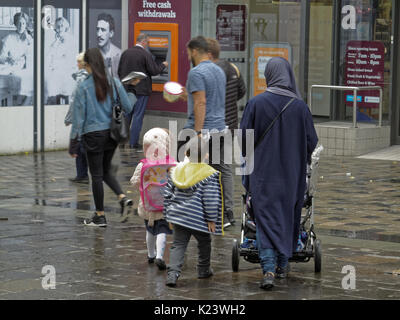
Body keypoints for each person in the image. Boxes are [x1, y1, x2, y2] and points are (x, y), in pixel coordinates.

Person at [239, 57, 318, 290]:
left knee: (264, 220)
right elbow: (311, 143)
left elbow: (244, 141)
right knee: (288, 218)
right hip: (292, 177)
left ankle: (268, 270)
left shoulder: (256, 103)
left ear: (269, 75)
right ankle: (283, 265)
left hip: (262, 175)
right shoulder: (301, 107)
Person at [70, 48, 134, 227]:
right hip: (111, 135)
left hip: (92, 135)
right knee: (105, 170)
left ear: (88, 65)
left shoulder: (83, 86)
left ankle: (100, 215)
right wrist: (132, 91)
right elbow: (128, 107)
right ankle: (122, 198)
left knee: (96, 175)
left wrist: (73, 141)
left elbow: (78, 118)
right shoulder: (114, 82)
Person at [177, 36, 230, 227]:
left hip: (202, 128)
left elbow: (201, 102)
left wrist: (198, 132)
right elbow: (208, 98)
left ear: (194, 51)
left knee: (184, 168)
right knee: (219, 171)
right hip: (220, 127)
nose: (188, 55)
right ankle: (223, 215)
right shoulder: (219, 71)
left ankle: (186, 212)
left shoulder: (196, 72)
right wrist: (187, 96)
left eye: (188, 52)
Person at [164, 135, 223, 287]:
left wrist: (168, 214)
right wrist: (211, 219)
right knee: (204, 242)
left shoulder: (177, 171)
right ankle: (203, 270)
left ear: (185, 153)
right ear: (207, 155)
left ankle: (172, 274)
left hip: (178, 217)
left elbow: (167, 194)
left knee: (178, 245)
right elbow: (210, 198)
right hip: (199, 219)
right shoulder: (208, 173)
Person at [206, 38, 247, 228]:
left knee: (209, 169)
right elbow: (242, 91)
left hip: (213, 127)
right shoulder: (233, 69)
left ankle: (213, 211)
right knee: (225, 168)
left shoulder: (209, 72)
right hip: (230, 125)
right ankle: (228, 212)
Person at [130, 128, 175, 270]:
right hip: (164, 205)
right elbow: (177, 180)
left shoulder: (142, 165)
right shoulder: (170, 165)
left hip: (147, 205)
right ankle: (160, 256)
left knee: (150, 230)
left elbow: (135, 181)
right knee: (162, 231)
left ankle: (150, 254)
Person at [118, 33, 168, 150]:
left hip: (127, 90)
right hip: (141, 91)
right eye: (148, 43)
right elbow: (154, 70)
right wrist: (163, 65)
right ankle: (133, 143)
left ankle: (122, 142)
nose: (148, 45)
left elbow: (120, 71)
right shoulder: (145, 54)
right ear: (144, 42)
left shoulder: (126, 53)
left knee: (126, 116)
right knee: (137, 116)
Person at [0, 12, 34, 106]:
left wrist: (28, 39)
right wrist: (8, 59)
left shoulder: (29, 39)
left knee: (29, 81)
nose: (21, 26)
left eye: (23, 23)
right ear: (15, 24)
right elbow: (2, 56)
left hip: (26, 66)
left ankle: (23, 104)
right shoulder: (9, 38)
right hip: (11, 66)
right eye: (18, 23)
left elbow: (32, 55)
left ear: (26, 24)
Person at [65, 52, 89, 183]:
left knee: (79, 144)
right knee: (83, 144)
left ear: (82, 63)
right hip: (89, 116)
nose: (77, 64)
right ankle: (83, 174)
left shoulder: (81, 78)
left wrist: (68, 118)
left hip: (80, 116)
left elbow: (74, 100)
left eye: (78, 62)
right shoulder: (92, 77)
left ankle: (82, 175)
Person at [45, 17, 76, 104]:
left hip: (66, 67)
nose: (60, 28)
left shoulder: (71, 39)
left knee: (63, 81)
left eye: (62, 26)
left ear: (66, 27)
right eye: (58, 26)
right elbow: (48, 55)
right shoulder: (52, 39)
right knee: (49, 82)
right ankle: (52, 105)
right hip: (53, 67)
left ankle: (65, 104)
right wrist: (55, 43)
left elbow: (71, 57)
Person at [96, 13, 121, 78]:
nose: (99, 34)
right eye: (97, 29)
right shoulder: (92, 55)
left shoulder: (119, 55)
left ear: (111, 33)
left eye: (103, 30)